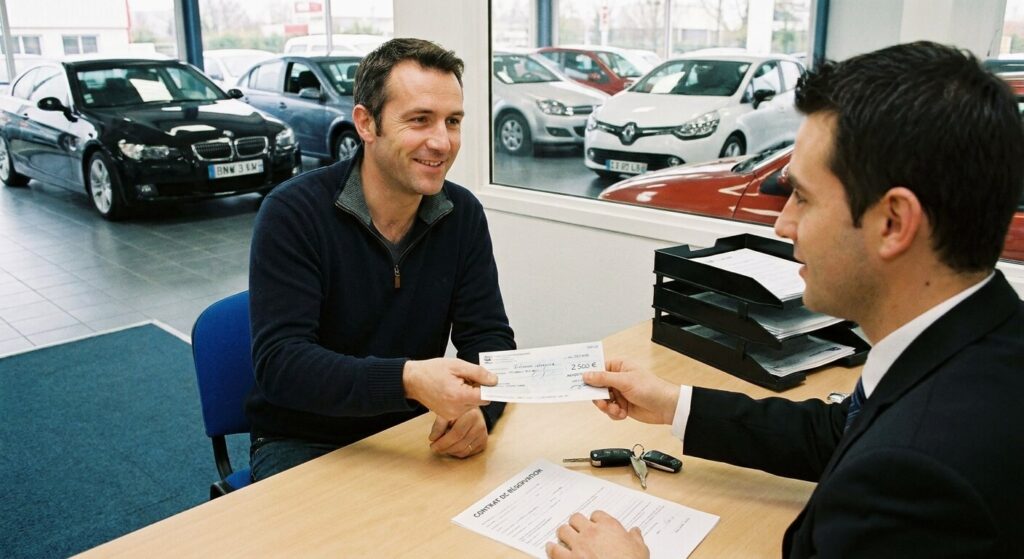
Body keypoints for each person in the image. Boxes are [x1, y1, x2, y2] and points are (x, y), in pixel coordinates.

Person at [548, 41, 1024, 558]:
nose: (783, 223)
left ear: (892, 223)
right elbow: (839, 431)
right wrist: (673, 404)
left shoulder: (915, 480)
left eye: (803, 196)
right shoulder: (980, 340)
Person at [246, 38, 516, 481]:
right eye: (420, 120)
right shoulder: (293, 213)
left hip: (412, 430)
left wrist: (479, 411)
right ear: (366, 124)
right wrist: (409, 381)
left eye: (453, 121)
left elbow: (488, 338)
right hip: (306, 438)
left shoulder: (462, 214)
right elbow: (282, 364)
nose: (442, 142)